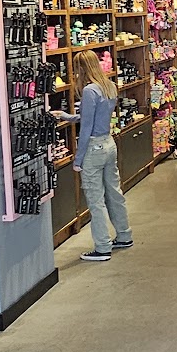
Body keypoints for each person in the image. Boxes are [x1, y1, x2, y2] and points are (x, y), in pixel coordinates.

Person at [65, 49, 131, 262]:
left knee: (96, 200)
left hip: (93, 148)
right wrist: (68, 116)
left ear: (81, 68)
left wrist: (78, 159)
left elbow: (86, 128)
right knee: (114, 193)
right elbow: (94, 118)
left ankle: (102, 247)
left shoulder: (89, 90)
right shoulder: (109, 86)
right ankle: (124, 235)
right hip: (109, 144)